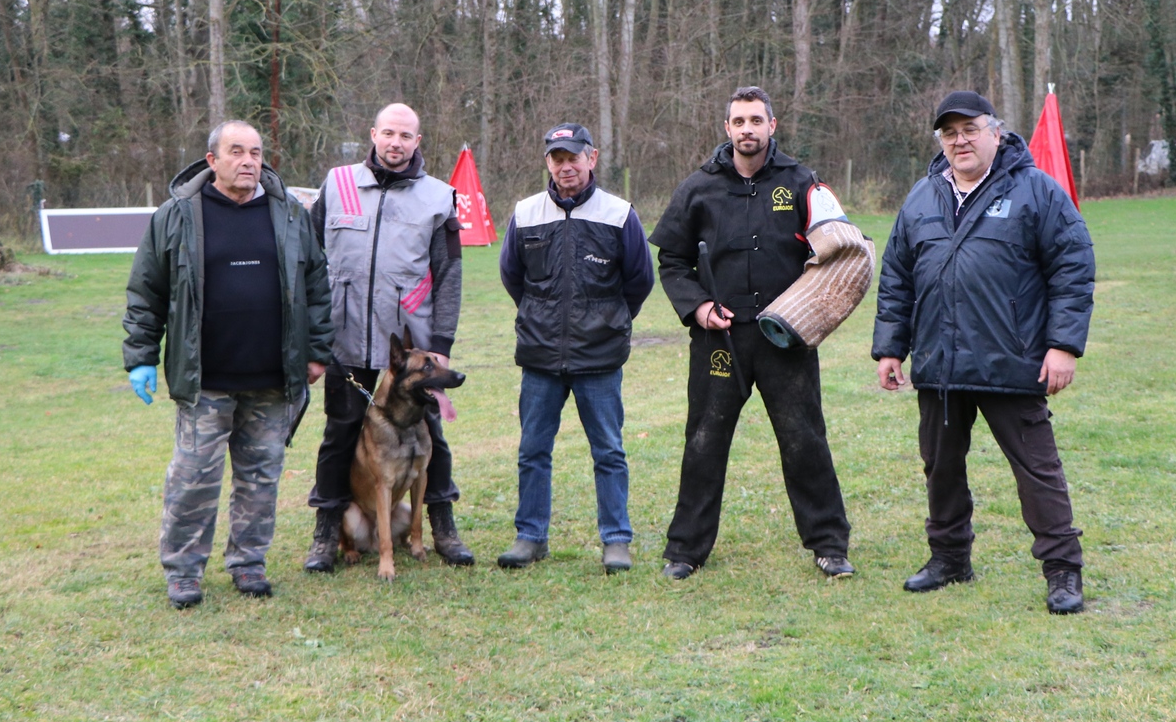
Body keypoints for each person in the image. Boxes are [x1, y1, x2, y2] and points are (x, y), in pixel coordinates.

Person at [873, 90, 1095, 614]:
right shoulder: (921, 197)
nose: (960, 141)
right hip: (940, 361)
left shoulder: (1036, 191)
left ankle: (1063, 570)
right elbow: (897, 276)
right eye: (949, 133)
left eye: (970, 129)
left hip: (1010, 359)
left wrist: (1063, 346)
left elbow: (1073, 266)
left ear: (996, 132)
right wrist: (891, 348)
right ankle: (949, 558)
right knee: (940, 466)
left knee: (1037, 470)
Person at [648, 87, 855, 581]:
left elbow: (837, 250)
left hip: (785, 337)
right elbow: (672, 260)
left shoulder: (802, 182)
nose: (747, 129)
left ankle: (829, 545)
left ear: (772, 126)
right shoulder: (698, 187)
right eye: (739, 121)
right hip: (719, 339)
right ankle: (686, 550)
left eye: (756, 120)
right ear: (727, 128)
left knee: (805, 439)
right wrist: (699, 307)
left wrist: (812, 311)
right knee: (704, 440)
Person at [123, 120, 332, 609]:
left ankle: (248, 563)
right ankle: (183, 572)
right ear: (212, 160)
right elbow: (146, 292)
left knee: (260, 479)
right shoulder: (176, 215)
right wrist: (141, 357)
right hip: (205, 380)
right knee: (193, 480)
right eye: (236, 151)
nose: (248, 161)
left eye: (256, 152)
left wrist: (317, 350)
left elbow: (317, 286)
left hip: (273, 379)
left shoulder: (289, 214)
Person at [301, 103, 474, 572]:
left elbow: (450, 274)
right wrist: (314, 340)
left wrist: (441, 344)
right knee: (339, 434)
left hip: (412, 344)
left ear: (418, 142)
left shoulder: (438, 196)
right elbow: (308, 262)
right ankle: (327, 531)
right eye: (389, 133)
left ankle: (442, 524)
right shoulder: (338, 184)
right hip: (346, 338)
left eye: (406, 136)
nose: (396, 143)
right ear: (373, 134)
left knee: (430, 436)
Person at [495, 123, 655, 573]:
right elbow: (512, 276)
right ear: (548, 162)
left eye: (573, 157)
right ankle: (530, 537)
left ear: (592, 158)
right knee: (532, 450)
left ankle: (616, 540)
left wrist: (609, 321)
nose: (565, 166)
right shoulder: (526, 213)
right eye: (557, 158)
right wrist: (539, 317)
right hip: (540, 357)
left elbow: (640, 280)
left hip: (599, 358)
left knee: (609, 452)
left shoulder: (619, 214)